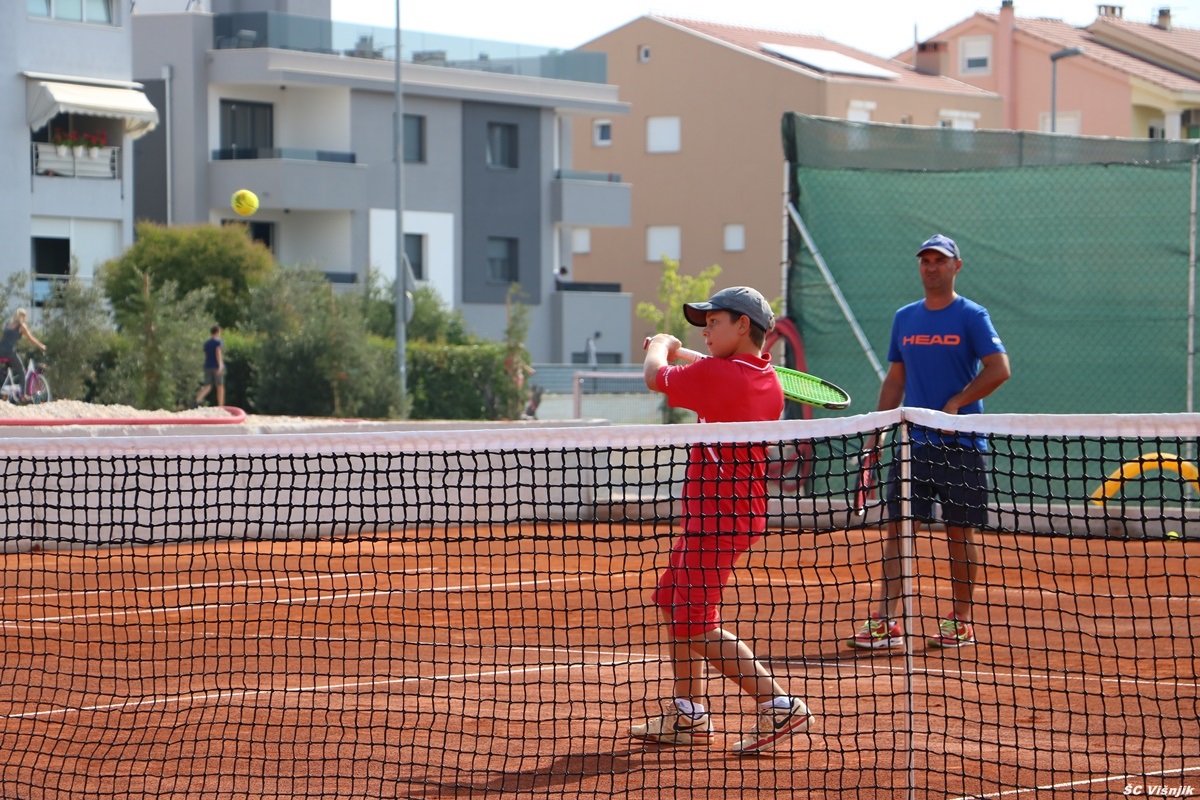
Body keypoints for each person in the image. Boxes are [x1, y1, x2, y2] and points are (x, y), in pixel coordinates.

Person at [632, 286, 814, 755]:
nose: (706, 329)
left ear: (743, 325)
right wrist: (682, 350)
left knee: (694, 622)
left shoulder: (721, 375)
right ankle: (688, 713)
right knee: (675, 601)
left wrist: (661, 343)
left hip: (719, 518)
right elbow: (707, 366)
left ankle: (778, 704)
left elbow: (656, 376)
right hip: (725, 515)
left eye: (714, 321)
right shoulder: (761, 377)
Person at [850, 234, 1011, 651]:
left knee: (960, 534)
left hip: (962, 447)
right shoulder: (905, 318)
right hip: (913, 446)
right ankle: (885, 621)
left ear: (956, 266)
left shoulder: (973, 315)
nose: (931, 266)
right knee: (899, 531)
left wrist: (956, 402)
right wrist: (879, 428)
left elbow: (999, 369)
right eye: (925, 259)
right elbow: (896, 379)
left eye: (939, 260)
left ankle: (960, 620)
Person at [0, 308, 46, 401]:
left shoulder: (8, 324)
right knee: (21, 371)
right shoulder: (22, 326)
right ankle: (22, 395)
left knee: (4, 372)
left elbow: (4, 338)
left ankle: (4, 389)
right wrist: (41, 346)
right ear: (24, 317)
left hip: (1, 351)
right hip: (9, 352)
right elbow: (31, 338)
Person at [195, 325, 225, 408]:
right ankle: (220, 406)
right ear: (217, 332)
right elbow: (217, 352)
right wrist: (220, 365)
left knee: (207, 386)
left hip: (207, 366)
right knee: (220, 386)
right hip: (216, 366)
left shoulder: (207, 343)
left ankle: (197, 401)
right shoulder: (218, 341)